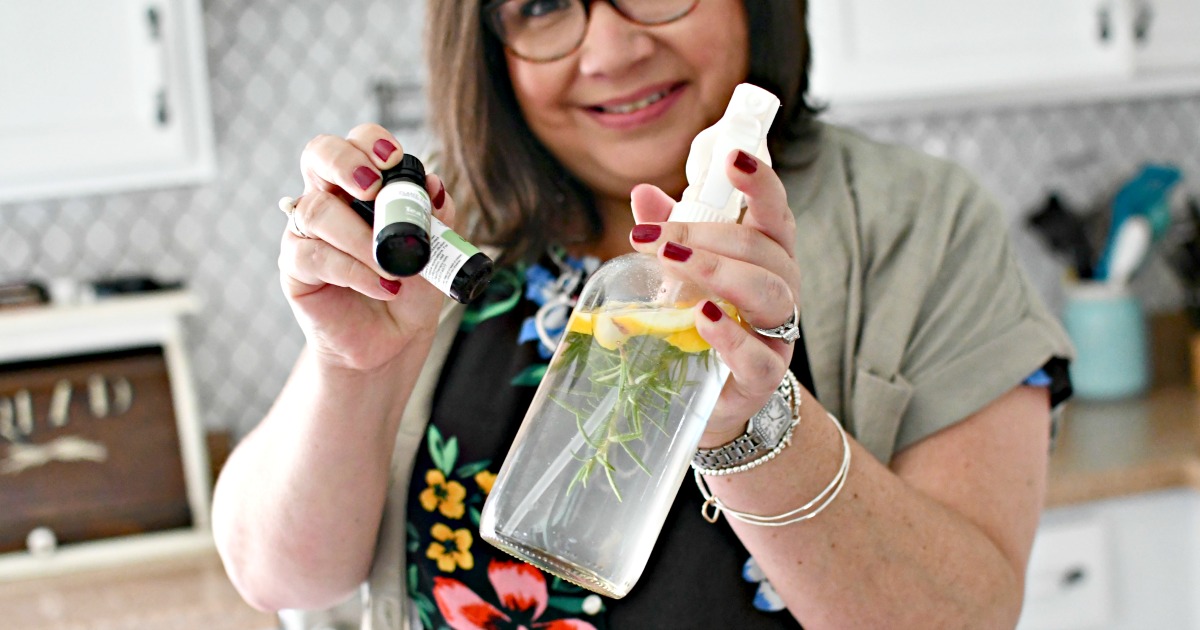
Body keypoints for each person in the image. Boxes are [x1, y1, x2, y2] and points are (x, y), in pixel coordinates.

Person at [211, 1, 1074, 628]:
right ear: (487, 44)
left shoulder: (920, 222)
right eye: (547, 5)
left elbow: (964, 619)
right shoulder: (434, 229)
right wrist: (351, 365)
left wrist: (751, 426)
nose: (613, 49)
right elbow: (280, 572)